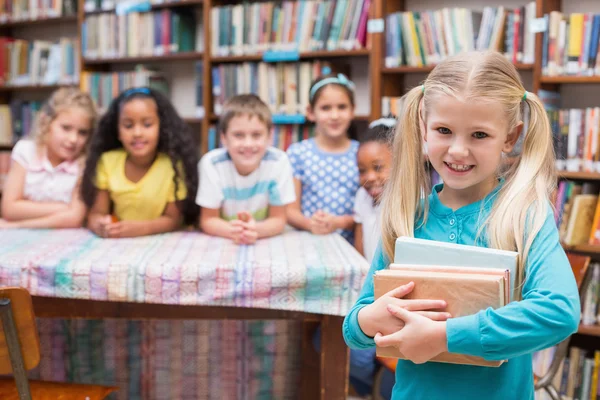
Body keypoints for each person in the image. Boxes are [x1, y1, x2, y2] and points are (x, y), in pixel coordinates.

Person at [343, 51, 580, 400]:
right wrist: (368, 319)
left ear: (510, 138)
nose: (457, 150)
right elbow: (354, 326)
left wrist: (444, 336)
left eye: (479, 135)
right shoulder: (408, 215)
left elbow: (559, 311)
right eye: (444, 130)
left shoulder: (525, 216)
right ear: (424, 128)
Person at [81, 87, 198, 238]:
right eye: (128, 126)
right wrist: (100, 224)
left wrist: (139, 229)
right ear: (118, 131)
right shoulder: (108, 162)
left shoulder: (173, 166)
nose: (137, 133)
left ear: (161, 128)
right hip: (118, 244)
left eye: (147, 124)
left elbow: (174, 220)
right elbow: (97, 213)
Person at [196, 94, 295, 244]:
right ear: (223, 138)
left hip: (263, 240)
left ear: (269, 137)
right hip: (225, 240)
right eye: (238, 135)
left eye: (256, 135)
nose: (248, 144)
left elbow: (279, 219)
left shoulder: (279, 162)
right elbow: (208, 220)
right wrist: (235, 231)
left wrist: (255, 230)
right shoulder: (212, 164)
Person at [0, 88, 96, 228]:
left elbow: (74, 219)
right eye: (66, 128)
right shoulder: (26, 151)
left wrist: (18, 224)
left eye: (82, 132)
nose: (73, 139)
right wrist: (63, 208)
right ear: (47, 122)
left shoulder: (84, 164)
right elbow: (9, 208)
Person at [286, 73, 360, 243]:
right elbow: (290, 210)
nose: (334, 115)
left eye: (342, 107)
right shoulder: (297, 154)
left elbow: (369, 213)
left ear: (352, 110)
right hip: (307, 242)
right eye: (325, 108)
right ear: (311, 112)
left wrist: (338, 222)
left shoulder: (360, 154)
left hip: (349, 248)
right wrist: (311, 224)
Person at [354, 117, 395, 262]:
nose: (369, 177)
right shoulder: (362, 196)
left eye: (378, 167)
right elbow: (359, 248)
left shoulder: (408, 199)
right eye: (362, 170)